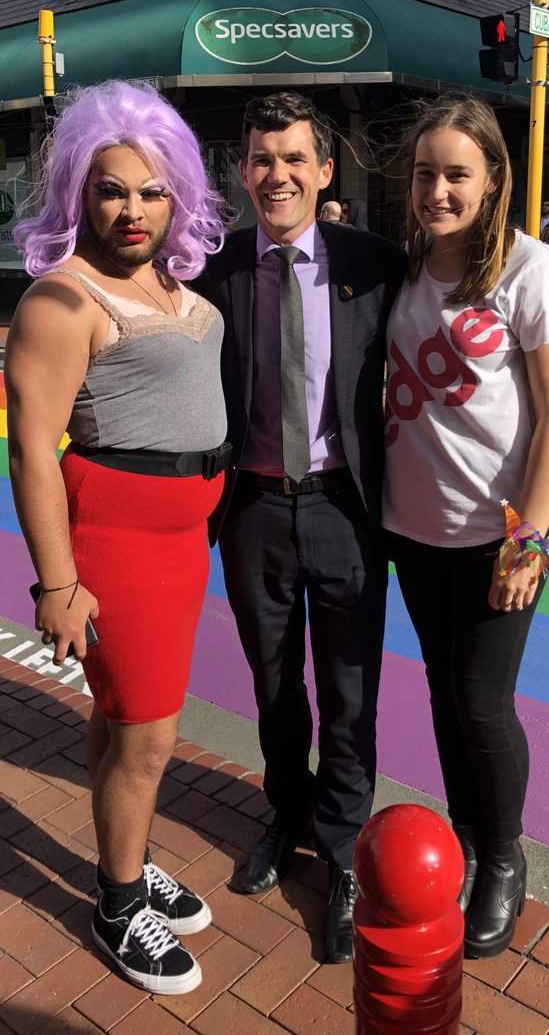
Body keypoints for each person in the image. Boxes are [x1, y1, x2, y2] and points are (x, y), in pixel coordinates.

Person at [5, 80, 229, 995]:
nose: (132, 209)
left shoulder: (168, 282)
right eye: (110, 190)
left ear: (178, 196)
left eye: (151, 191)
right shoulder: (63, 300)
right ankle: (118, 901)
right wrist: (57, 584)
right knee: (149, 733)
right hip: (117, 540)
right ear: (77, 190)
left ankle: (122, 857)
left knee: (119, 716)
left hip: (183, 539)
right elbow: (31, 448)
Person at [194, 91, 406, 963]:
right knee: (275, 686)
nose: (276, 174)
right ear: (243, 172)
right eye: (260, 159)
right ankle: (287, 815)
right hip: (250, 509)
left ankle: (344, 846)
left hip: (344, 508)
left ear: (324, 171)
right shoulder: (212, 269)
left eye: (293, 159)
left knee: (350, 695)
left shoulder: (377, 264)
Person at [382, 95, 549, 960]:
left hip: (501, 537)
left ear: (493, 178)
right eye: (426, 174)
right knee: (441, 691)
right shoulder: (408, 266)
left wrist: (531, 537)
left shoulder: (531, 271)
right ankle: (466, 835)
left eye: (456, 175)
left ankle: (502, 856)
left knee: (481, 704)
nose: (438, 191)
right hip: (414, 530)